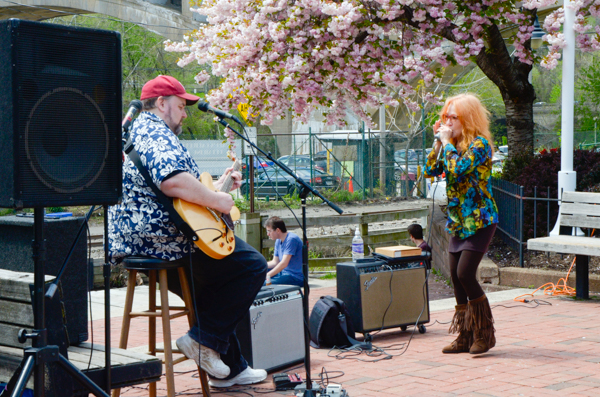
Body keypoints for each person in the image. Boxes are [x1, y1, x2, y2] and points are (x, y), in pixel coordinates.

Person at [108, 75, 268, 388]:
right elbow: (172, 181)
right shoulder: (153, 131)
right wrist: (221, 200)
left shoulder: (145, 132)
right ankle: (201, 342)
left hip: (151, 237)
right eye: (180, 106)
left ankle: (230, 368)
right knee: (252, 267)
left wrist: (219, 186)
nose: (184, 113)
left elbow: (180, 194)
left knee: (211, 289)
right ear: (160, 103)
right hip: (163, 240)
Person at [423, 93, 499, 355]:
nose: (447, 121)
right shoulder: (450, 144)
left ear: (467, 118)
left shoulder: (480, 145)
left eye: (452, 117)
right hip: (458, 221)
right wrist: (438, 142)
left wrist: (447, 143)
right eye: (446, 116)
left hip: (480, 220)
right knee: (456, 278)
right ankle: (464, 336)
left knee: (466, 273)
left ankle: (484, 334)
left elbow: (457, 169)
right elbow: (430, 171)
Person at [264, 216, 304, 287]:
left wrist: (268, 275)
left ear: (278, 230)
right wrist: (259, 267)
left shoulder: (291, 239)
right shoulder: (278, 240)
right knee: (257, 273)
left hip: (295, 276)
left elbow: (283, 264)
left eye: (269, 231)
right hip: (284, 273)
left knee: (262, 284)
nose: (268, 234)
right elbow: (275, 262)